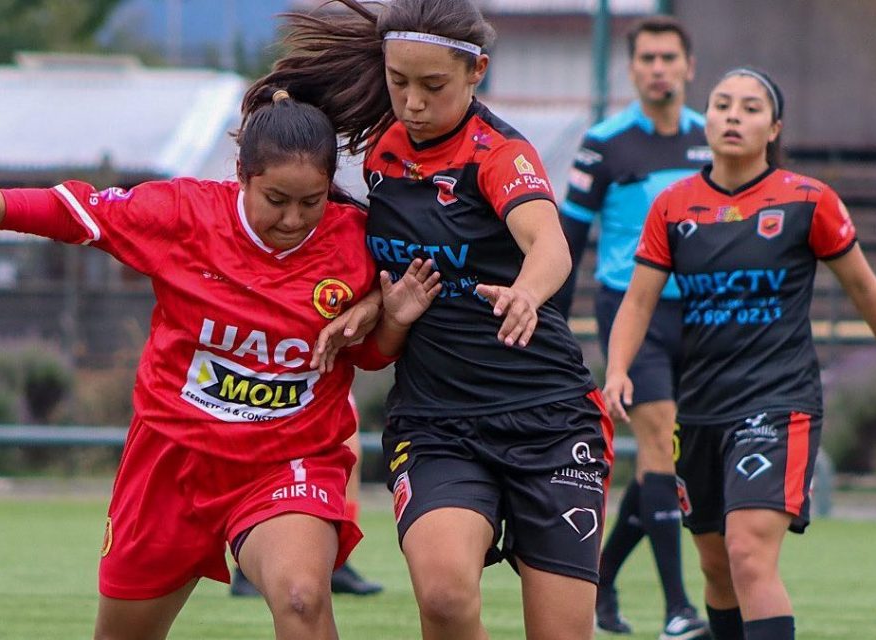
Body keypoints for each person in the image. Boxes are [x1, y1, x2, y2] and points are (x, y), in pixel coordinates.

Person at [0, 89, 442, 640]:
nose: (295, 218)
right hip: (171, 462)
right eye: (276, 199)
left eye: (312, 201)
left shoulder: (356, 241)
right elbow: (71, 212)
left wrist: (387, 317)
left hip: (286, 460)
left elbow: (370, 356)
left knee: (301, 597)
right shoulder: (181, 214)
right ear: (242, 175)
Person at [250, 1, 615, 638]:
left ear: (477, 72)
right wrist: (370, 306)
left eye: (433, 86)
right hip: (438, 420)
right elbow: (393, 261)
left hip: (548, 418)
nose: (412, 102)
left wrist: (528, 293)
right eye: (399, 82)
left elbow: (549, 243)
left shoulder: (499, 154)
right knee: (444, 596)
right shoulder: (381, 155)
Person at [602, 68, 876, 640]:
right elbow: (637, 304)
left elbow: (865, 291)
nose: (733, 115)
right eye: (722, 104)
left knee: (748, 553)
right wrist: (616, 370)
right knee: (717, 569)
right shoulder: (672, 207)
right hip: (702, 408)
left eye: (751, 107)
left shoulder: (809, 200)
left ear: (774, 127)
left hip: (778, 403)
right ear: (705, 118)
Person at [552, 16, 710, 639]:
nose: (658, 68)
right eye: (646, 58)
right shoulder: (604, 143)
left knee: (669, 464)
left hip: (700, 318)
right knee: (660, 445)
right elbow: (568, 239)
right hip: (631, 316)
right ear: (633, 68)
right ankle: (677, 608)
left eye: (669, 57)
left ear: (689, 66)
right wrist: (551, 331)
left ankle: (603, 578)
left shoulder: (712, 139)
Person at [230, 394, 384, 597]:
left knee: (350, 449)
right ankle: (244, 569)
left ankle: (337, 562)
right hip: (270, 371)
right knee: (257, 445)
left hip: (326, 370)